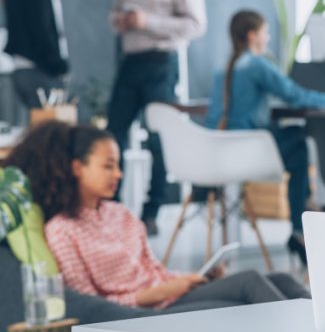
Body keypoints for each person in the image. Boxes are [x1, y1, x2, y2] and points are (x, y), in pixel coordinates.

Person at [5, 121, 308, 309]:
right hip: (149, 311)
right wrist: (154, 294)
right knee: (250, 282)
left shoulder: (120, 214)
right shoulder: (62, 230)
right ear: (77, 168)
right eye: (108, 165)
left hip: (171, 294)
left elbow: (153, 270)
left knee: (282, 279)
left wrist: (194, 278)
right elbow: (88, 304)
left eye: (118, 165)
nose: (118, 174)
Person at [206, 10, 325, 265]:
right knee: (298, 143)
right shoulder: (257, 65)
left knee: (293, 139)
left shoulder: (223, 68)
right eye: (266, 32)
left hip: (219, 151)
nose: (268, 37)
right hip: (247, 151)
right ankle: (300, 224)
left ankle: (303, 215)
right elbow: (294, 95)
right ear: (253, 36)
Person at [107, 0, 207, 236]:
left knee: (158, 139)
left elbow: (195, 24)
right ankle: (111, 210)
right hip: (130, 60)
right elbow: (114, 13)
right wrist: (120, 22)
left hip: (162, 62)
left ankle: (151, 211)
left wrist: (148, 22)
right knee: (112, 135)